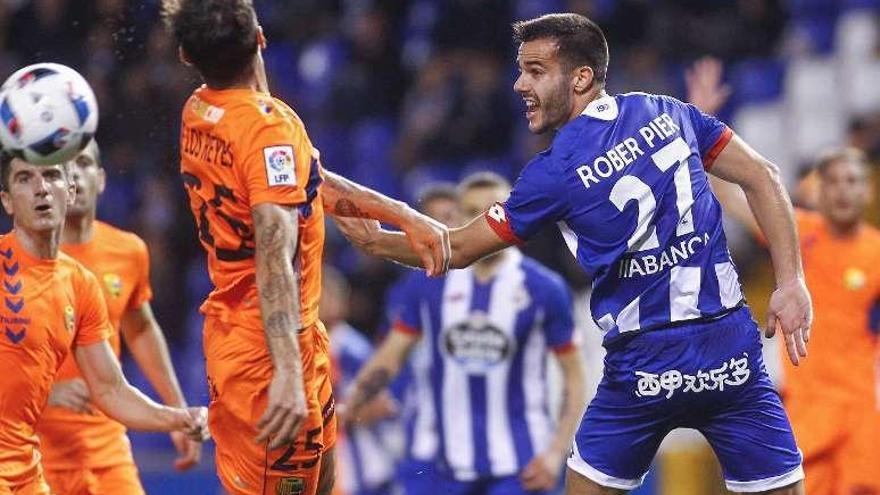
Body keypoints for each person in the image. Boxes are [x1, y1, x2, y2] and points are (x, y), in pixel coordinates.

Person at [335, 13, 812, 495]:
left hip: (642, 368)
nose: (520, 83)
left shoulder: (555, 171)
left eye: (536, 71)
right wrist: (790, 281)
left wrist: (376, 241)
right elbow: (764, 176)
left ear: (581, 77)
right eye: (521, 70)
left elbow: (455, 249)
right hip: (727, 354)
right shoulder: (667, 111)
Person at [162, 1, 449, 494]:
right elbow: (273, 253)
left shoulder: (200, 111)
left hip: (278, 335)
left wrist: (403, 215)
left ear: (187, 56)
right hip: (267, 351)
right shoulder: (268, 126)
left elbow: (307, 181)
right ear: (261, 37)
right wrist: (288, 375)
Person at [343, 172, 586, 495]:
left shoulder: (544, 288)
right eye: (473, 212)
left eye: (494, 210)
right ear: (458, 219)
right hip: (445, 466)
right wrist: (349, 405)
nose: (484, 221)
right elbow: (391, 355)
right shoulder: (428, 283)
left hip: (521, 465)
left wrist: (557, 452)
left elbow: (574, 376)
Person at [0, 153, 207, 495]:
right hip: (34, 452)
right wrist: (46, 392)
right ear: (6, 201)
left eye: (50, 176)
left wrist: (176, 416)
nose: (40, 189)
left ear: (69, 190)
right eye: (24, 179)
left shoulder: (80, 283)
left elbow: (110, 388)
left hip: (30, 468)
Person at [714, 148, 880, 495]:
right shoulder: (797, 232)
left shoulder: (876, 253)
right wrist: (702, 132)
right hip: (810, 411)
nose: (842, 191)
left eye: (852, 182)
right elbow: (729, 195)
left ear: (868, 192)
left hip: (861, 414)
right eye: (832, 182)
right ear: (817, 191)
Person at [322, 267, 400, 495]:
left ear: (342, 303)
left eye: (327, 295)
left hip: (362, 467)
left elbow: (384, 405)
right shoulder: (309, 348)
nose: (320, 302)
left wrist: (334, 418)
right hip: (335, 465)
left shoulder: (351, 348)